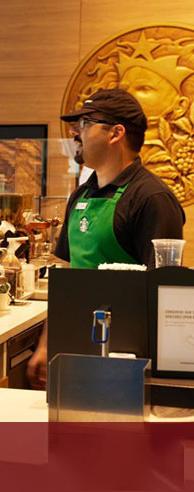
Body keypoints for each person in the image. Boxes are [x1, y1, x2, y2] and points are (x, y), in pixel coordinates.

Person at [27, 88, 186, 388]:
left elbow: (164, 297)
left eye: (85, 123)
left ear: (116, 133)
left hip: (129, 362)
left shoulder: (152, 198)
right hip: (75, 350)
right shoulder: (81, 194)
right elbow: (66, 278)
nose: (75, 132)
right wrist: (47, 344)